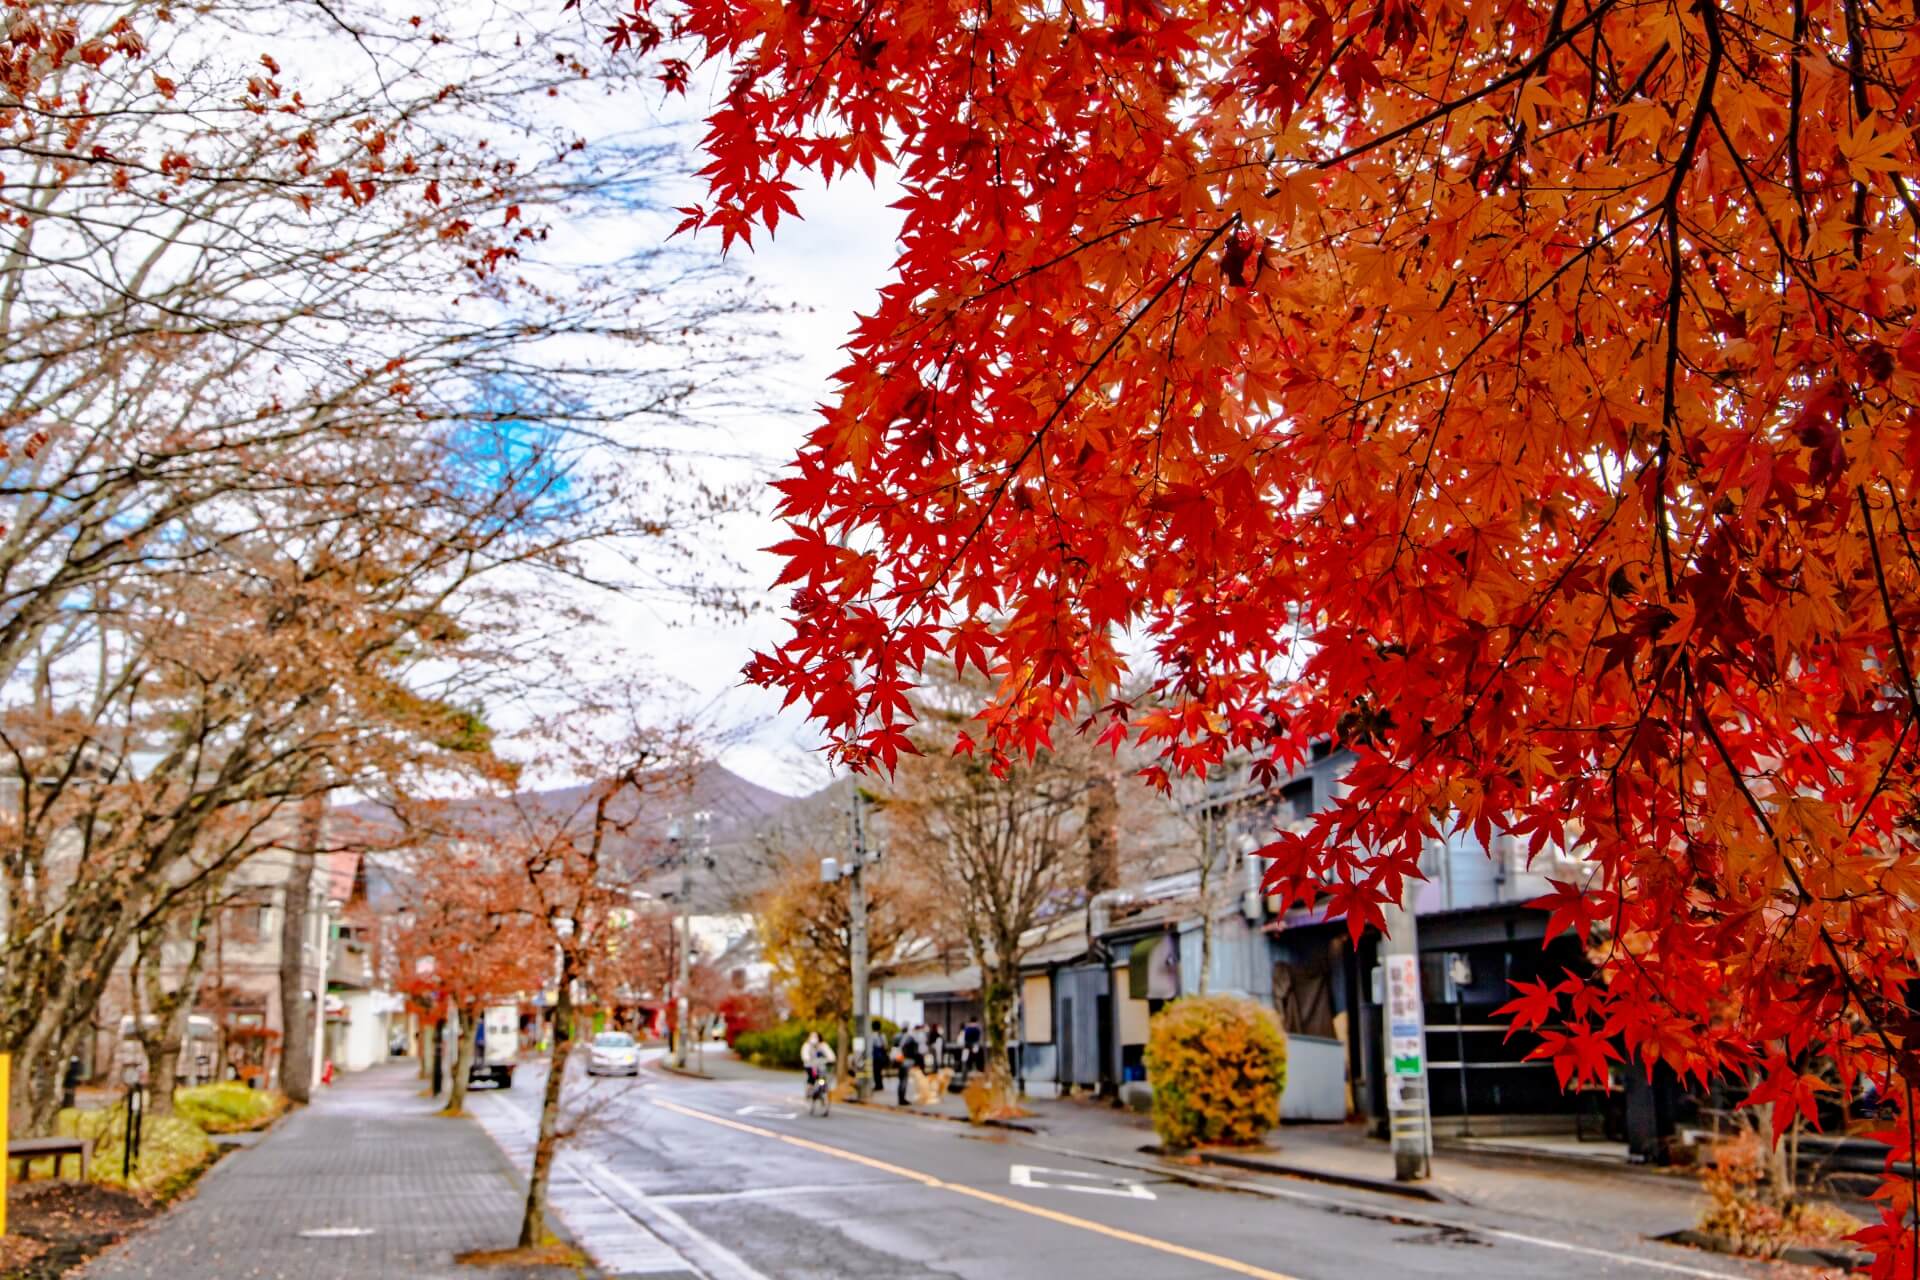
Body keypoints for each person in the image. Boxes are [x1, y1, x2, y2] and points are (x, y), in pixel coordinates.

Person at [894, 1024, 924, 1105]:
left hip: (901, 1060)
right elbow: (915, 1052)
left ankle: (901, 1098)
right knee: (904, 1080)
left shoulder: (899, 1037)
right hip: (907, 1061)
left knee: (901, 1080)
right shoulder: (911, 1039)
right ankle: (902, 1099)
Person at [801, 1030, 836, 1095]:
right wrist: (807, 1059)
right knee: (812, 1076)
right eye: (812, 1036)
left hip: (821, 1065)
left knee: (823, 1076)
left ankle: (822, 1088)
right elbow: (805, 1054)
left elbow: (830, 1053)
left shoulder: (823, 1045)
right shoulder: (807, 1045)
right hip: (810, 1065)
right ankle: (809, 1088)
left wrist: (831, 1059)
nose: (814, 1038)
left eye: (815, 1036)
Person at [868, 1019, 888, 1094]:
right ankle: (880, 1085)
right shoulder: (882, 1035)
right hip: (881, 1056)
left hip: (875, 1056)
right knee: (879, 1071)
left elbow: (871, 1046)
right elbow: (885, 1046)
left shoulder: (872, 1035)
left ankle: (878, 1085)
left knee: (876, 1071)